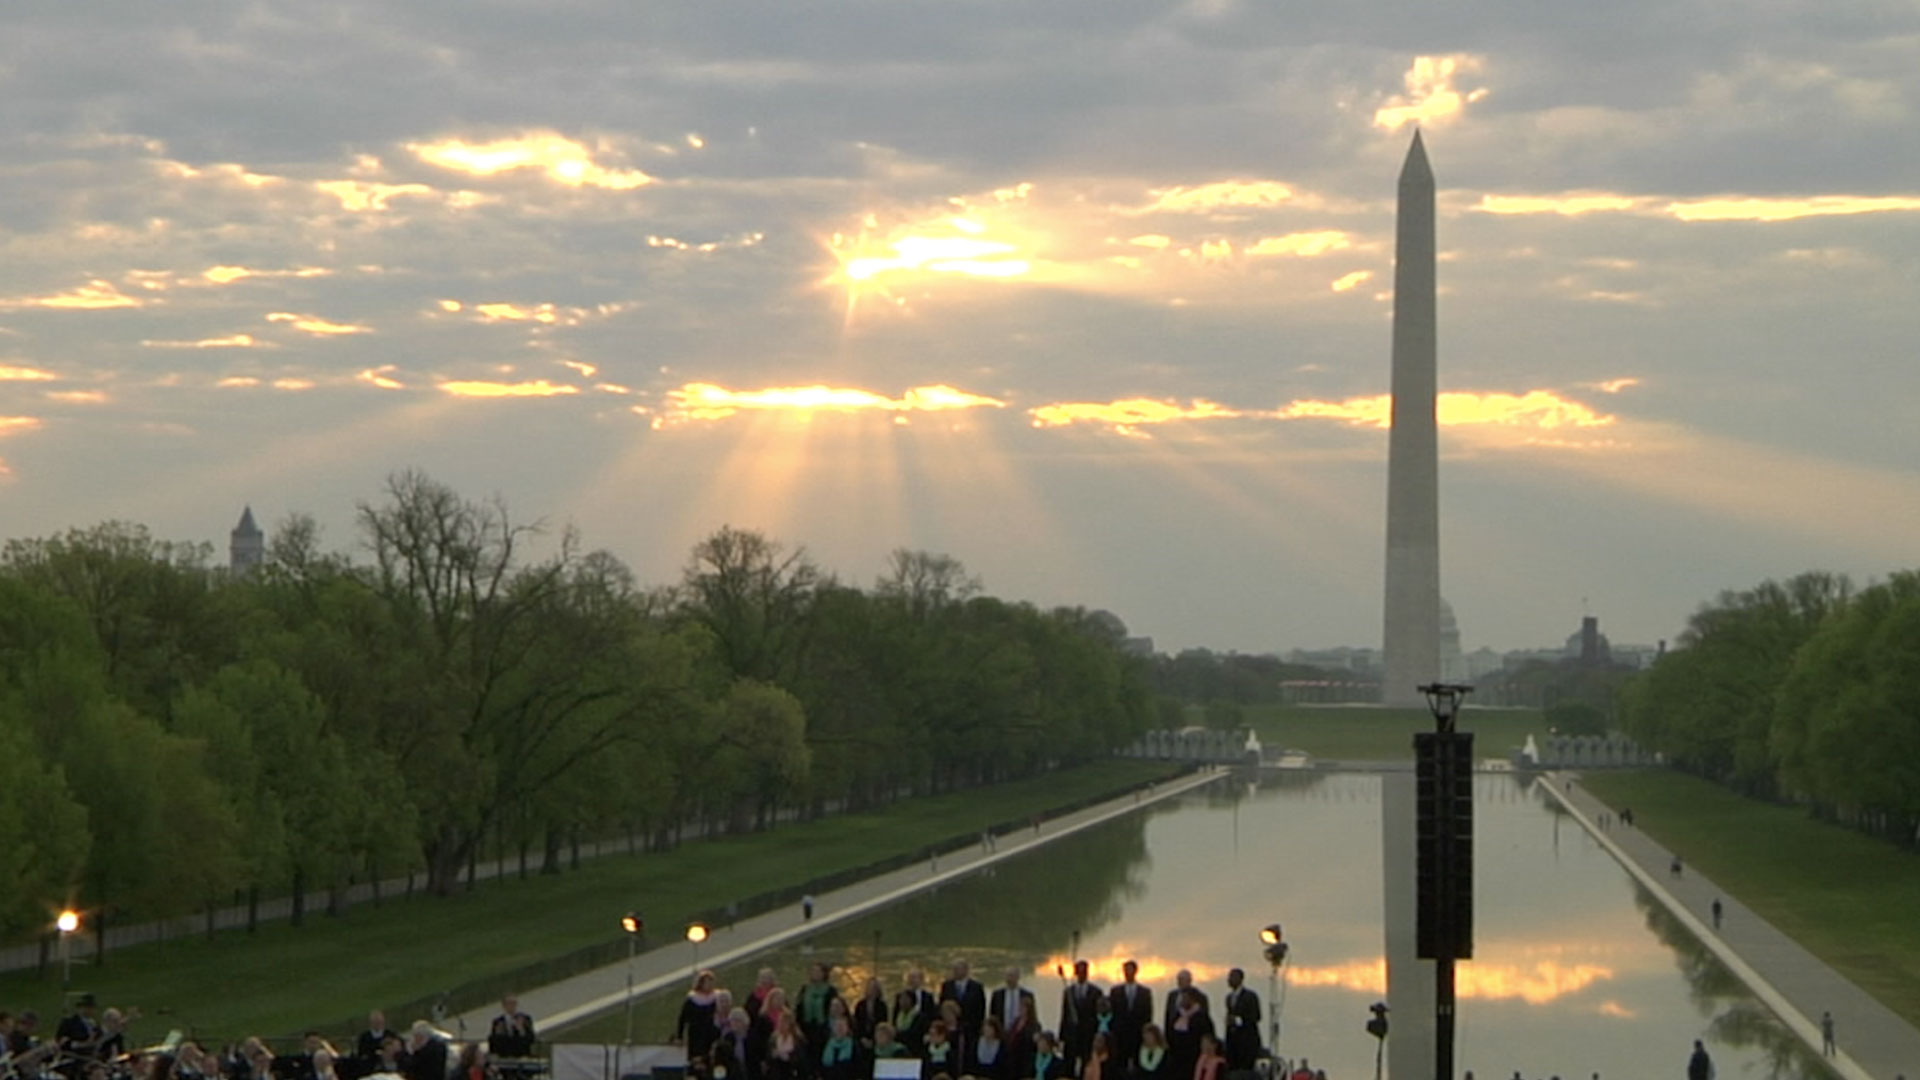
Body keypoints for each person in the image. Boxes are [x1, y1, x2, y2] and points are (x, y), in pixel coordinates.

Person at [1057, 960, 1104, 1073]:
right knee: (1069, 1064)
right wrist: (1061, 1037)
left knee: (1086, 1063)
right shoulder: (1069, 992)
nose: (1082, 974)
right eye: (1079, 971)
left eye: (1084, 972)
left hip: (1088, 1035)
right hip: (1071, 1035)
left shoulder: (1096, 992)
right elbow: (1064, 1015)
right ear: (1076, 973)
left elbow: (1098, 1016)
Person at [1108, 961, 1153, 1066]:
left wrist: (1146, 1033)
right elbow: (1112, 1013)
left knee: (1138, 1062)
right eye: (1125, 970)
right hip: (1120, 1035)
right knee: (1120, 1063)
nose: (1127, 973)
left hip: (1138, 1033)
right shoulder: (1115, 991)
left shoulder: (1145, 992)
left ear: (1135, 971)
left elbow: (1148, 1014)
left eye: (1130, 970)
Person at [1163, 992, 1212, 1080]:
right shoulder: (1178, 1015)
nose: (1182, 1000)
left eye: (1185, 998)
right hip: (1177, 1058)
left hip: (1194, 1057)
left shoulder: (1201, 1017)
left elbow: (1207, 1036)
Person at [677, 971, 724, 1063]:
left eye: (711, 982)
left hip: (712, 1033)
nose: (710, 985)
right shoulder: (692, 999)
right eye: (707, 982)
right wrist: (680, 1036)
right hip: (696, 1035)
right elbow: (682, 1018)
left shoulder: (716, 997)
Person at [1220, 970, 1261, 1072]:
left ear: (1240, 979)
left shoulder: (1250, 996)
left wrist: (1238, 1020)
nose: (1229, 980)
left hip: (1247, 1041)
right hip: (1233, 1042)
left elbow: (1256, 1016)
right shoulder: (1229, 998)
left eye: (1232, 977)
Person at [798, 963, 842, 1053]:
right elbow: (799, 1007)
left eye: (818, 971)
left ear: (824, 974)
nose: (815, 974)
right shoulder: (805, 989)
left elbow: (836, 1009)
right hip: (806, 1027)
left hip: (823, 1028)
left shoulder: (830, 990)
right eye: (813, 971)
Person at [938, 962, 985, 1042]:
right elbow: (941, 1004)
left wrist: (978, 1027)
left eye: (958, 969)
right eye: (954, 969)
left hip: (970, 1027)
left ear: (966, 970)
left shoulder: (976, 987)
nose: (955, 972)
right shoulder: (947, 985)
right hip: (951, 1027)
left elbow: (980, 1008)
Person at [988, 968, 1034, 1045]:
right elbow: (992, 1015)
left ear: (1018, 977)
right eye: (1007, 976)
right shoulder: (997, 995)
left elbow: (1032, 1015)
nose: (1009, 979)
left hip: (1020, 1035)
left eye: (1012, 976)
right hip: (1001, 1033)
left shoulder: (1027, 995)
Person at [853, 978, 890, 1046]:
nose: (872, 990)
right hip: (861, 1038)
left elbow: (883, 1023)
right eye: (870, 987)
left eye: (874, 988)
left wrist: (874, 1039)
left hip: (877, 1038)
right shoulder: (860, 1005)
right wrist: (861, 1038)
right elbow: (856, 1023)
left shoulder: (882, 1006)